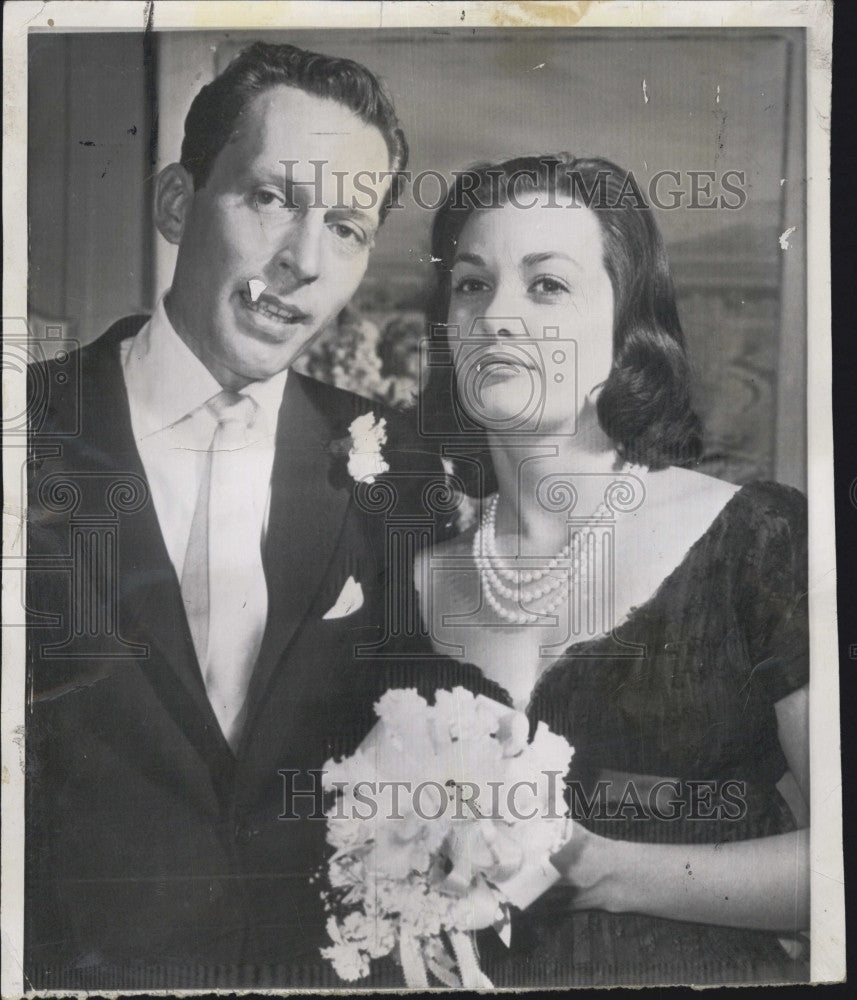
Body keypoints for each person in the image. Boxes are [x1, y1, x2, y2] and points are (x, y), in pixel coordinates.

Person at [25, 40, 442, 989]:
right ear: (179, 203)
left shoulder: (396, 466)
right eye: (271, 200)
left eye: (346, 226)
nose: (303, 261)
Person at [414, 154, 809, 985]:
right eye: (470, 285)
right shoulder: (408, 574)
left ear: (626, 326)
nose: (497, 319)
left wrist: (604, 869)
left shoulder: (754, 539)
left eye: (546, 286)